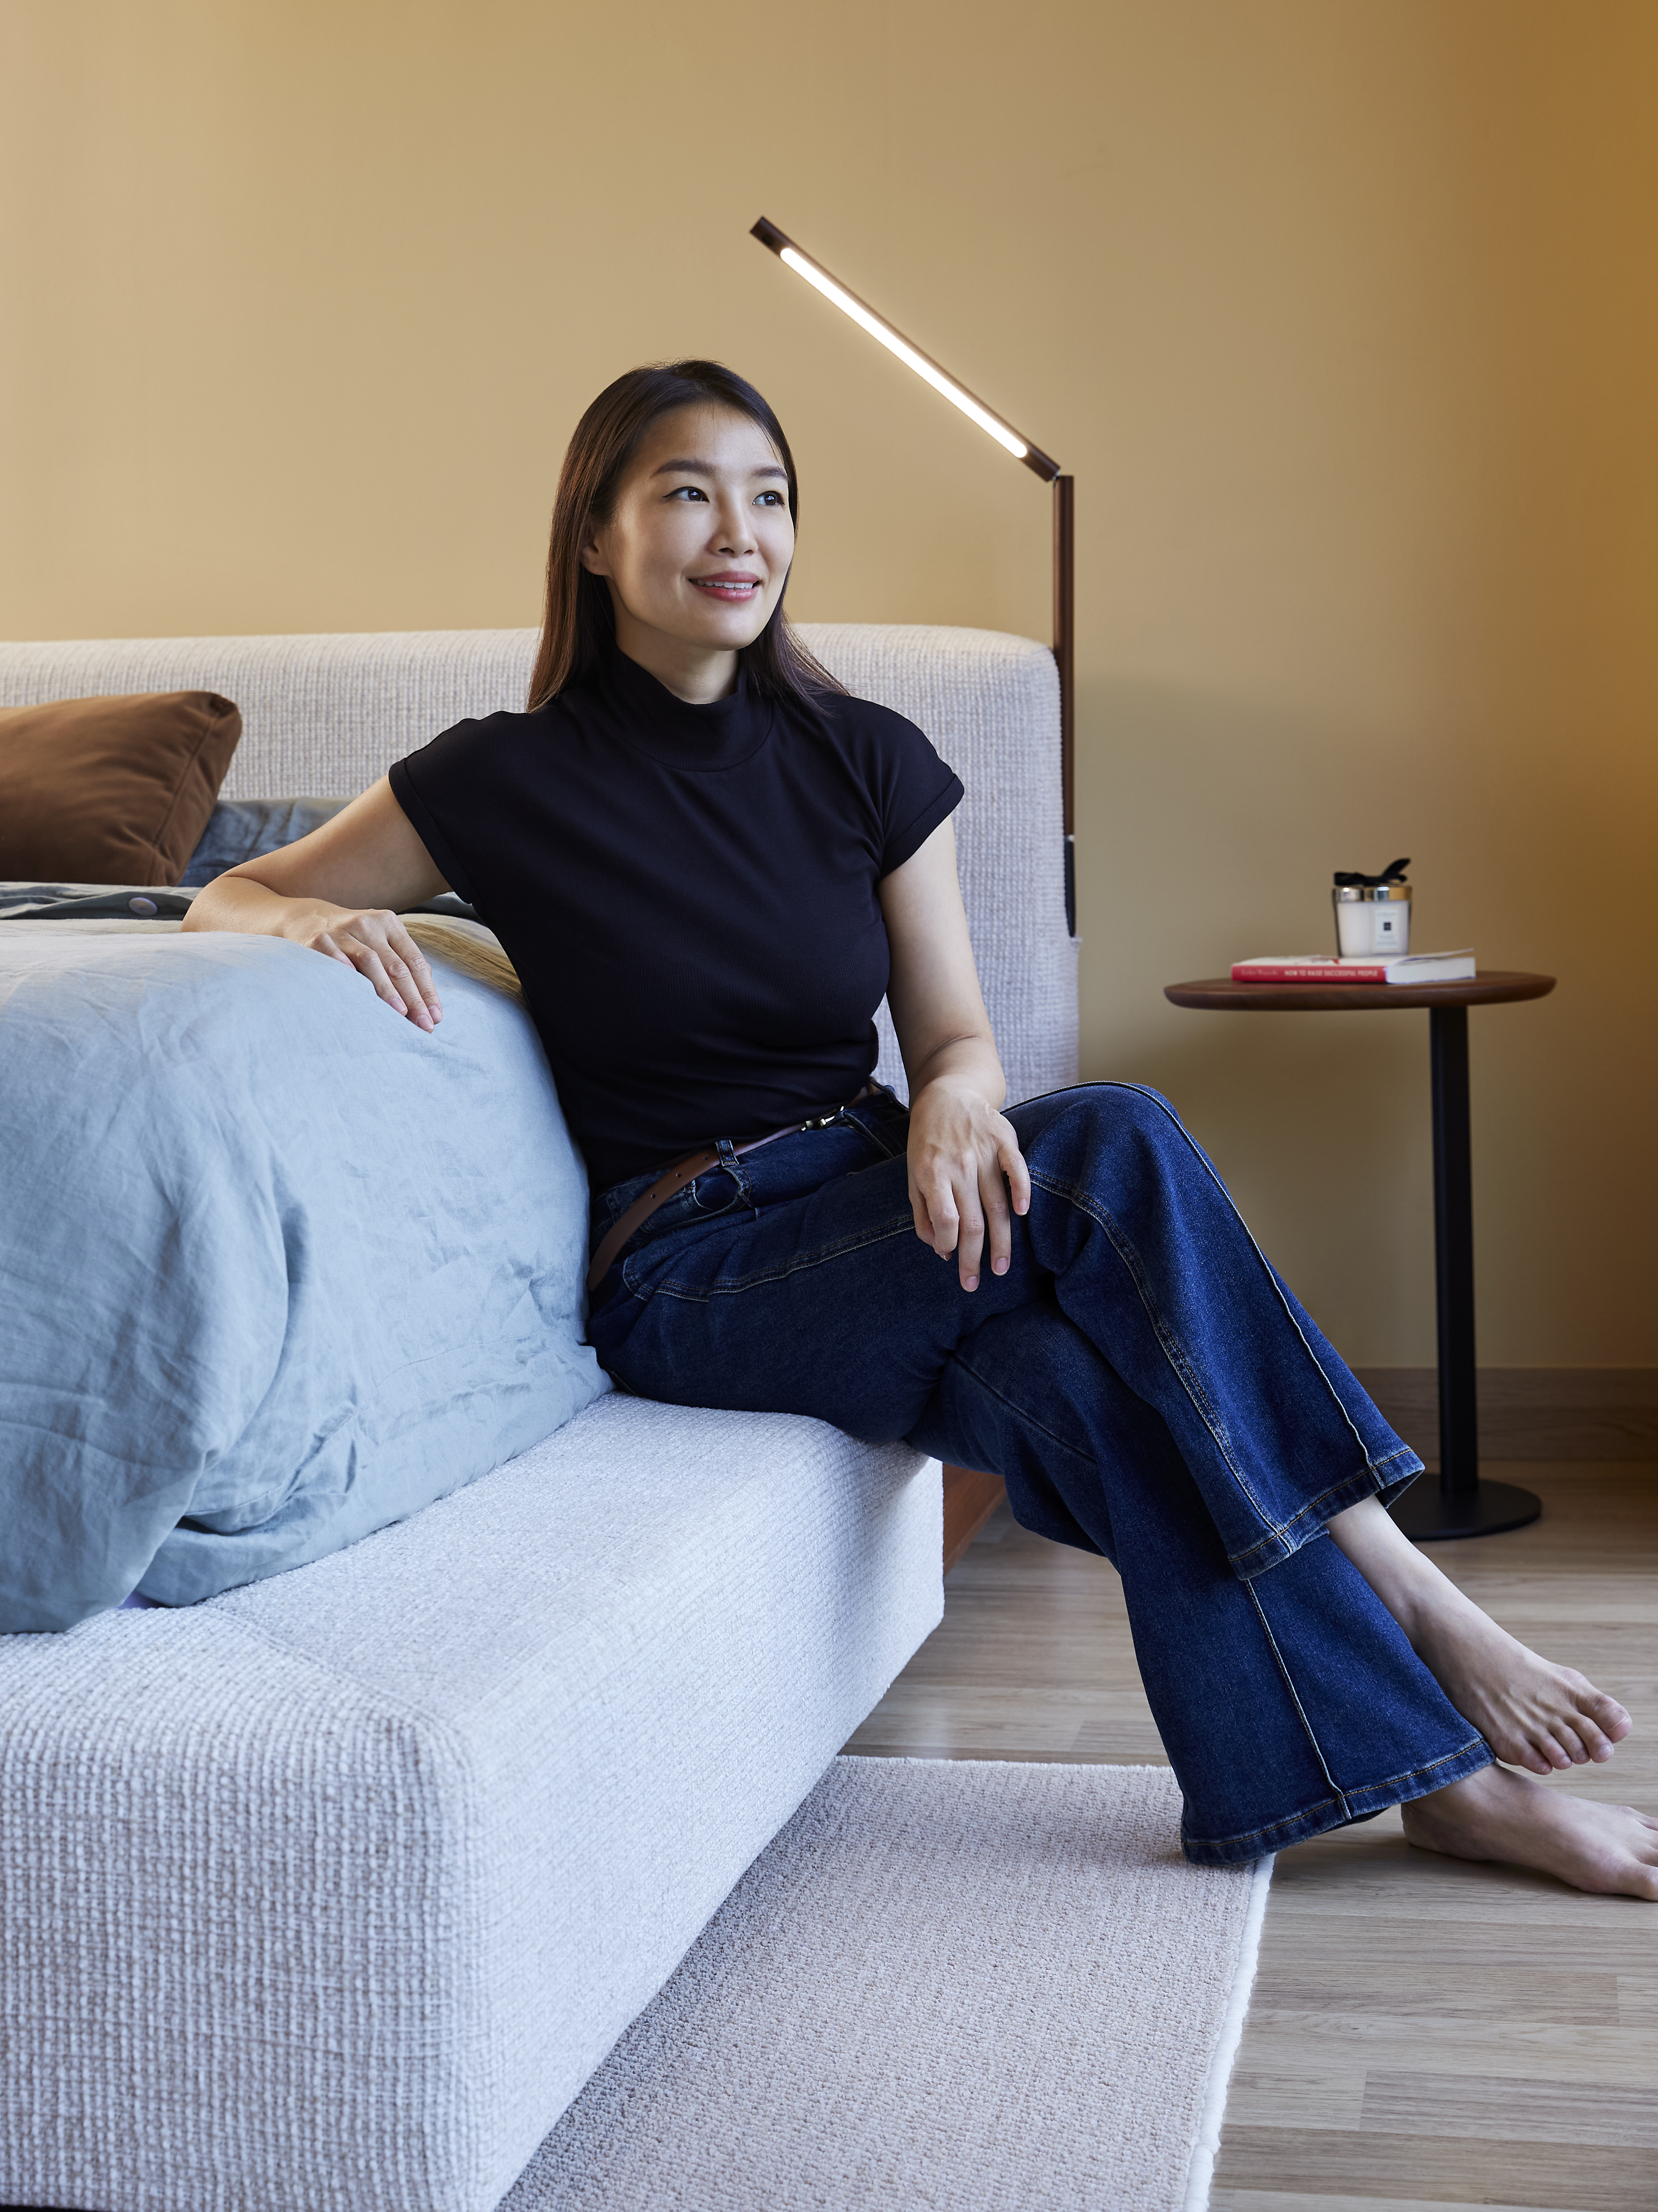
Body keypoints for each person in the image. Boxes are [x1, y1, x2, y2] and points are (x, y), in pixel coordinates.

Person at [185, 360, 1656, 1897]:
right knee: (1112, 1136)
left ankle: (1434, 1785)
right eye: (685, 492)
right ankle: (1417, 1596)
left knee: (1078, 1386)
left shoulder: (865, 754)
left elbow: (955, 1035)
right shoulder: (499, 776)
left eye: (768, 497)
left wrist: (956, 1093)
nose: (735, 531)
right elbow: (231, 890)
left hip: (880, 1206)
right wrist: (286, 928)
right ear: (596, 539)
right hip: (692, 1272)